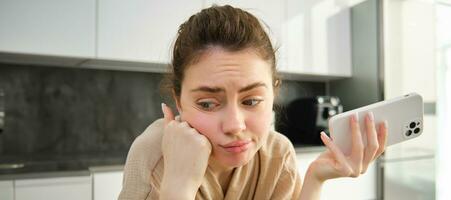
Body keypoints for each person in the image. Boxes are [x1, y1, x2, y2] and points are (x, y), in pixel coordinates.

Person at [118, 5, 387, 200]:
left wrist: (316, 178)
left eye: (251, 100)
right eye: (208, 104)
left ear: (273, 94)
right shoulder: (154, 156)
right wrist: (178, 187)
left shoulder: (277, 155)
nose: (235, 125)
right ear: (178, 101)